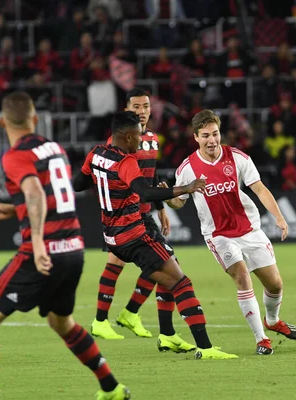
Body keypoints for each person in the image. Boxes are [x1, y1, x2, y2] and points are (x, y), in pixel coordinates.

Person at [0, 92, 129, 400]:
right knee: (62, 323)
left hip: (43, 251)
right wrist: (9, 209)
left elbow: (33, 192)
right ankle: (112, 388)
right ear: (34, 119)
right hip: (73, 248)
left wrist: (37, 242)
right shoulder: (54, 148)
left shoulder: (15, 155)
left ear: (3, 121)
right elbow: (53, 195)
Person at [73, 111, 237, 360]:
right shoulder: (125, 162)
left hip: (111, 235)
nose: (140, 141)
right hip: (134, 235)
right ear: (128, 136)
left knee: (170, 268)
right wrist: (185, 188)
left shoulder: (96, 153)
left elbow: (78, 184)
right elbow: (145, 193)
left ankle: (168, 334)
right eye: (138, 136)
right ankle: (205, 347)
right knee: (181, 283)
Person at [164, 109, 296, 356]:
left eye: (215, 134)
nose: (212, 140)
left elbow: (259, 189)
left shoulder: (237, 157)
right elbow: (180, 202)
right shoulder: (187, 168)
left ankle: (272, 320)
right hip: (218, 234)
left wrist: (279, 217)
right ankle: (261, 339)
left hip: (249, 228)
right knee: (241, 276)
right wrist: (169, 196)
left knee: (275, 285)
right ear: (195, 137)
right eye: (205, 135)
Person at [90, 88, 196, 354]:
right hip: (124, 215)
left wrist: (160, 209)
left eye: (146, 106)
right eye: (136, 106)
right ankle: (103, 320)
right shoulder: (122, 140)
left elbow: (150, 175)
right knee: (126, 263)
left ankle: (129, 314)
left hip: (145, 211)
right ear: (127, 109)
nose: (141, 111)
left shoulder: (152, 139)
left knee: (160, 264)